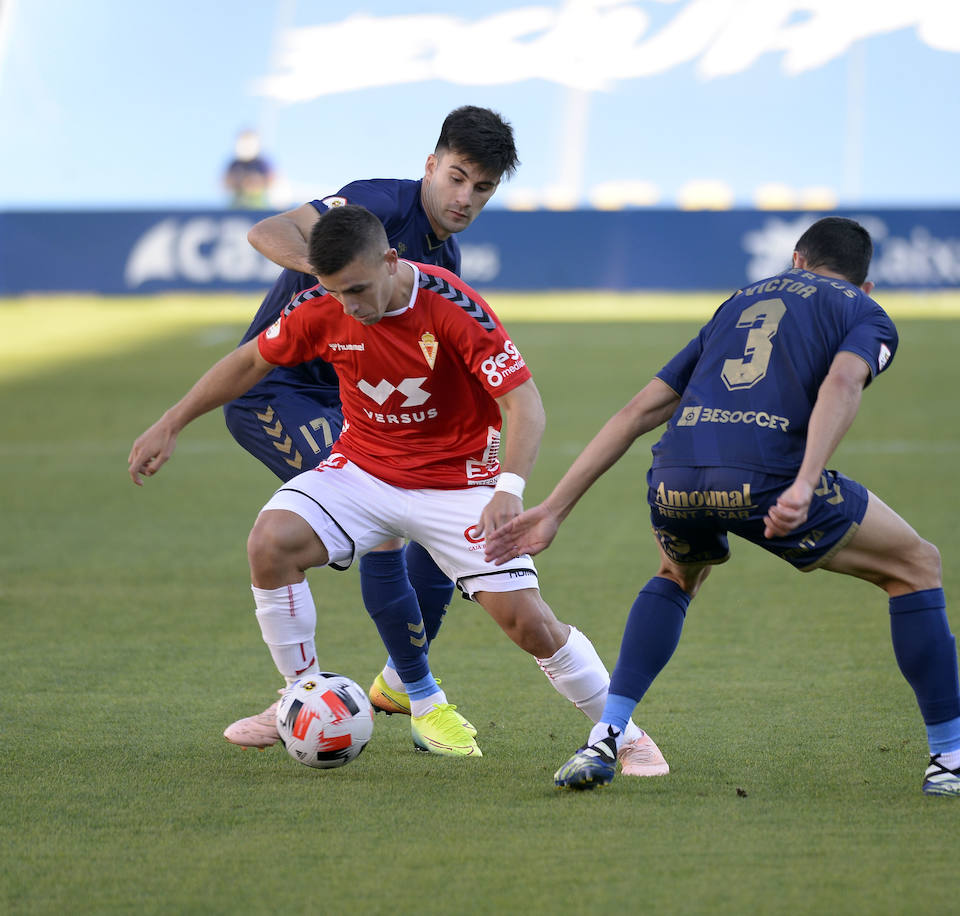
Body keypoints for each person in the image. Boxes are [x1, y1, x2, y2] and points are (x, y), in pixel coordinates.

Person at [485, 216, 960, 797]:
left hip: (674, 473)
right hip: (766, 476)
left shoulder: (739, 301)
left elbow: (637, 412)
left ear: (796, 260)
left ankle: (605, 734)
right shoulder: (862, 310)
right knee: (916, 565)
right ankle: (952, 761)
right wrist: (803, 483)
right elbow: (843, 384)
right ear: (865, 284)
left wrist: (554, 507)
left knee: (677, 574)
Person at [129, 204, 667, 774]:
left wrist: (509, 487)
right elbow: (249, 362)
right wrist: (172, 420)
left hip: (459, 485)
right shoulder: (322, 305)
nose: (350, 306)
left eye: (358, 289)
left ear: (390, 260)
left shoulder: (451, 305)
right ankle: (300, 696)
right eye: (336, 292)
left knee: (528, 624)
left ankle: (626, 735)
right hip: (363, 471)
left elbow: (523, 402)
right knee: (271, 543)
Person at [218, 106, 522, 751]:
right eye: (457, 177)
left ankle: (379, 686)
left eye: (483, 188)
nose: (464, 198)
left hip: (362, 406)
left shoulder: (447, 261)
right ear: (431, 165)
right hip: (280, 394)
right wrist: (333, 285)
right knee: (384, 526)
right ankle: (408, 697)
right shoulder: (377, 203)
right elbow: (269, 231)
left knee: (437, 514)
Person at [223, 129, 273, 209]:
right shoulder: (235, 164)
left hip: (258, 207)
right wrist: (238, 181)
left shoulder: (261, 163)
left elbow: (270, 180)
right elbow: (225, 182)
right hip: (236, 206)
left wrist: (254, 182)